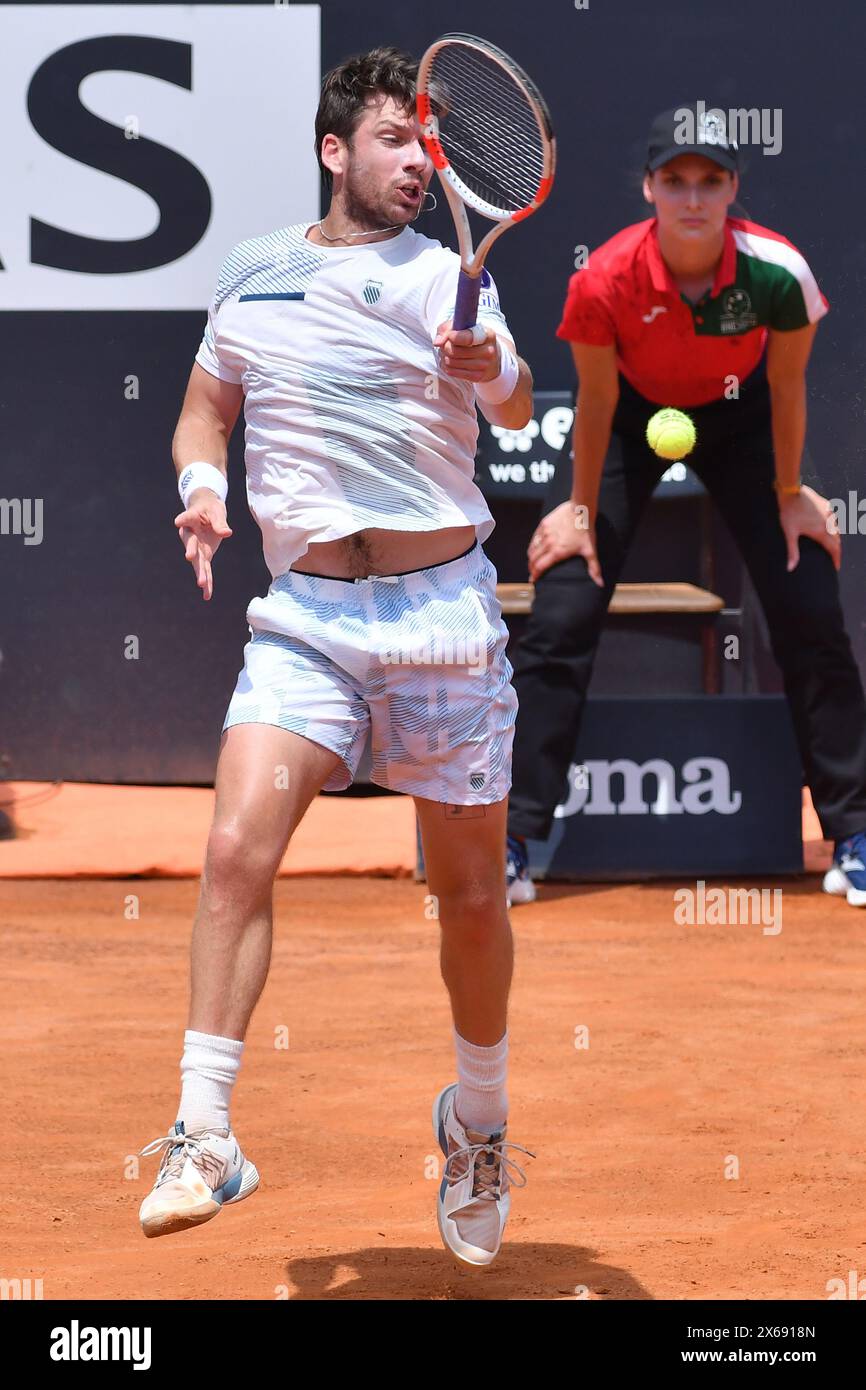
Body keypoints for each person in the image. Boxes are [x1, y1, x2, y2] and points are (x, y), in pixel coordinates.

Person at [137, 46, 536, 1270]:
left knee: (467, 896)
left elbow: (515, 402)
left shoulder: (441, 276)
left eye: (428, 144)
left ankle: (476, 1121)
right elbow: (205, 408)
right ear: (334, 152)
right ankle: (205, 1130)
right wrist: (204, 483)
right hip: (307, 616)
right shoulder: (252, 271)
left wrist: (494, 371)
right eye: (393, 140)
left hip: (443, 622)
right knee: (230, 847)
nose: (420, 163)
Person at [505, 102, 866, 910]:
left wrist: (789, 493)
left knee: (809, 605)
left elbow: (786, 383)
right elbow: (594, 402)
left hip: (743, 425)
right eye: (676, 180)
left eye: (710, 180)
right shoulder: (603, 278)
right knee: (562, 611)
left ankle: (855, 834)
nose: (693, 197)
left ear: (734, 188)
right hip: (634, 420)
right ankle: (513, 838)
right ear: (649, 188)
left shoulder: (779, 272)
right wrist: (577, 508)